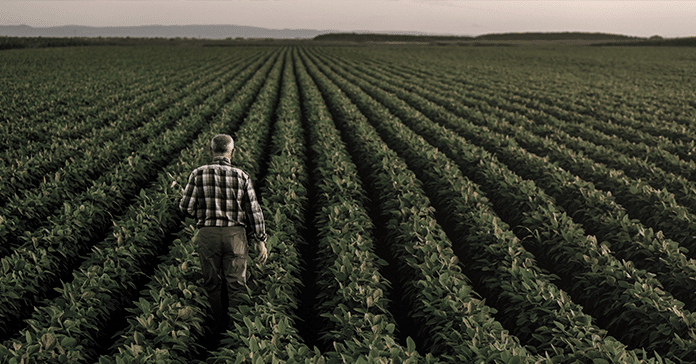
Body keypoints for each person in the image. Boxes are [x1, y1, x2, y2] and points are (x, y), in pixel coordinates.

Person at [179, 134, 268, 333]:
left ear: (211, 151)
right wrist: (260, 239)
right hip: (235, 235)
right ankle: (236, 331)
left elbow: (185, 208)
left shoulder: (198, 174)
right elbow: (254, 210)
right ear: (232, 152)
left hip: (208, 233)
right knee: (236, 284)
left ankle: (215, 328)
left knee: (212, 283)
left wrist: (200, 210)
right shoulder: (241, 176)